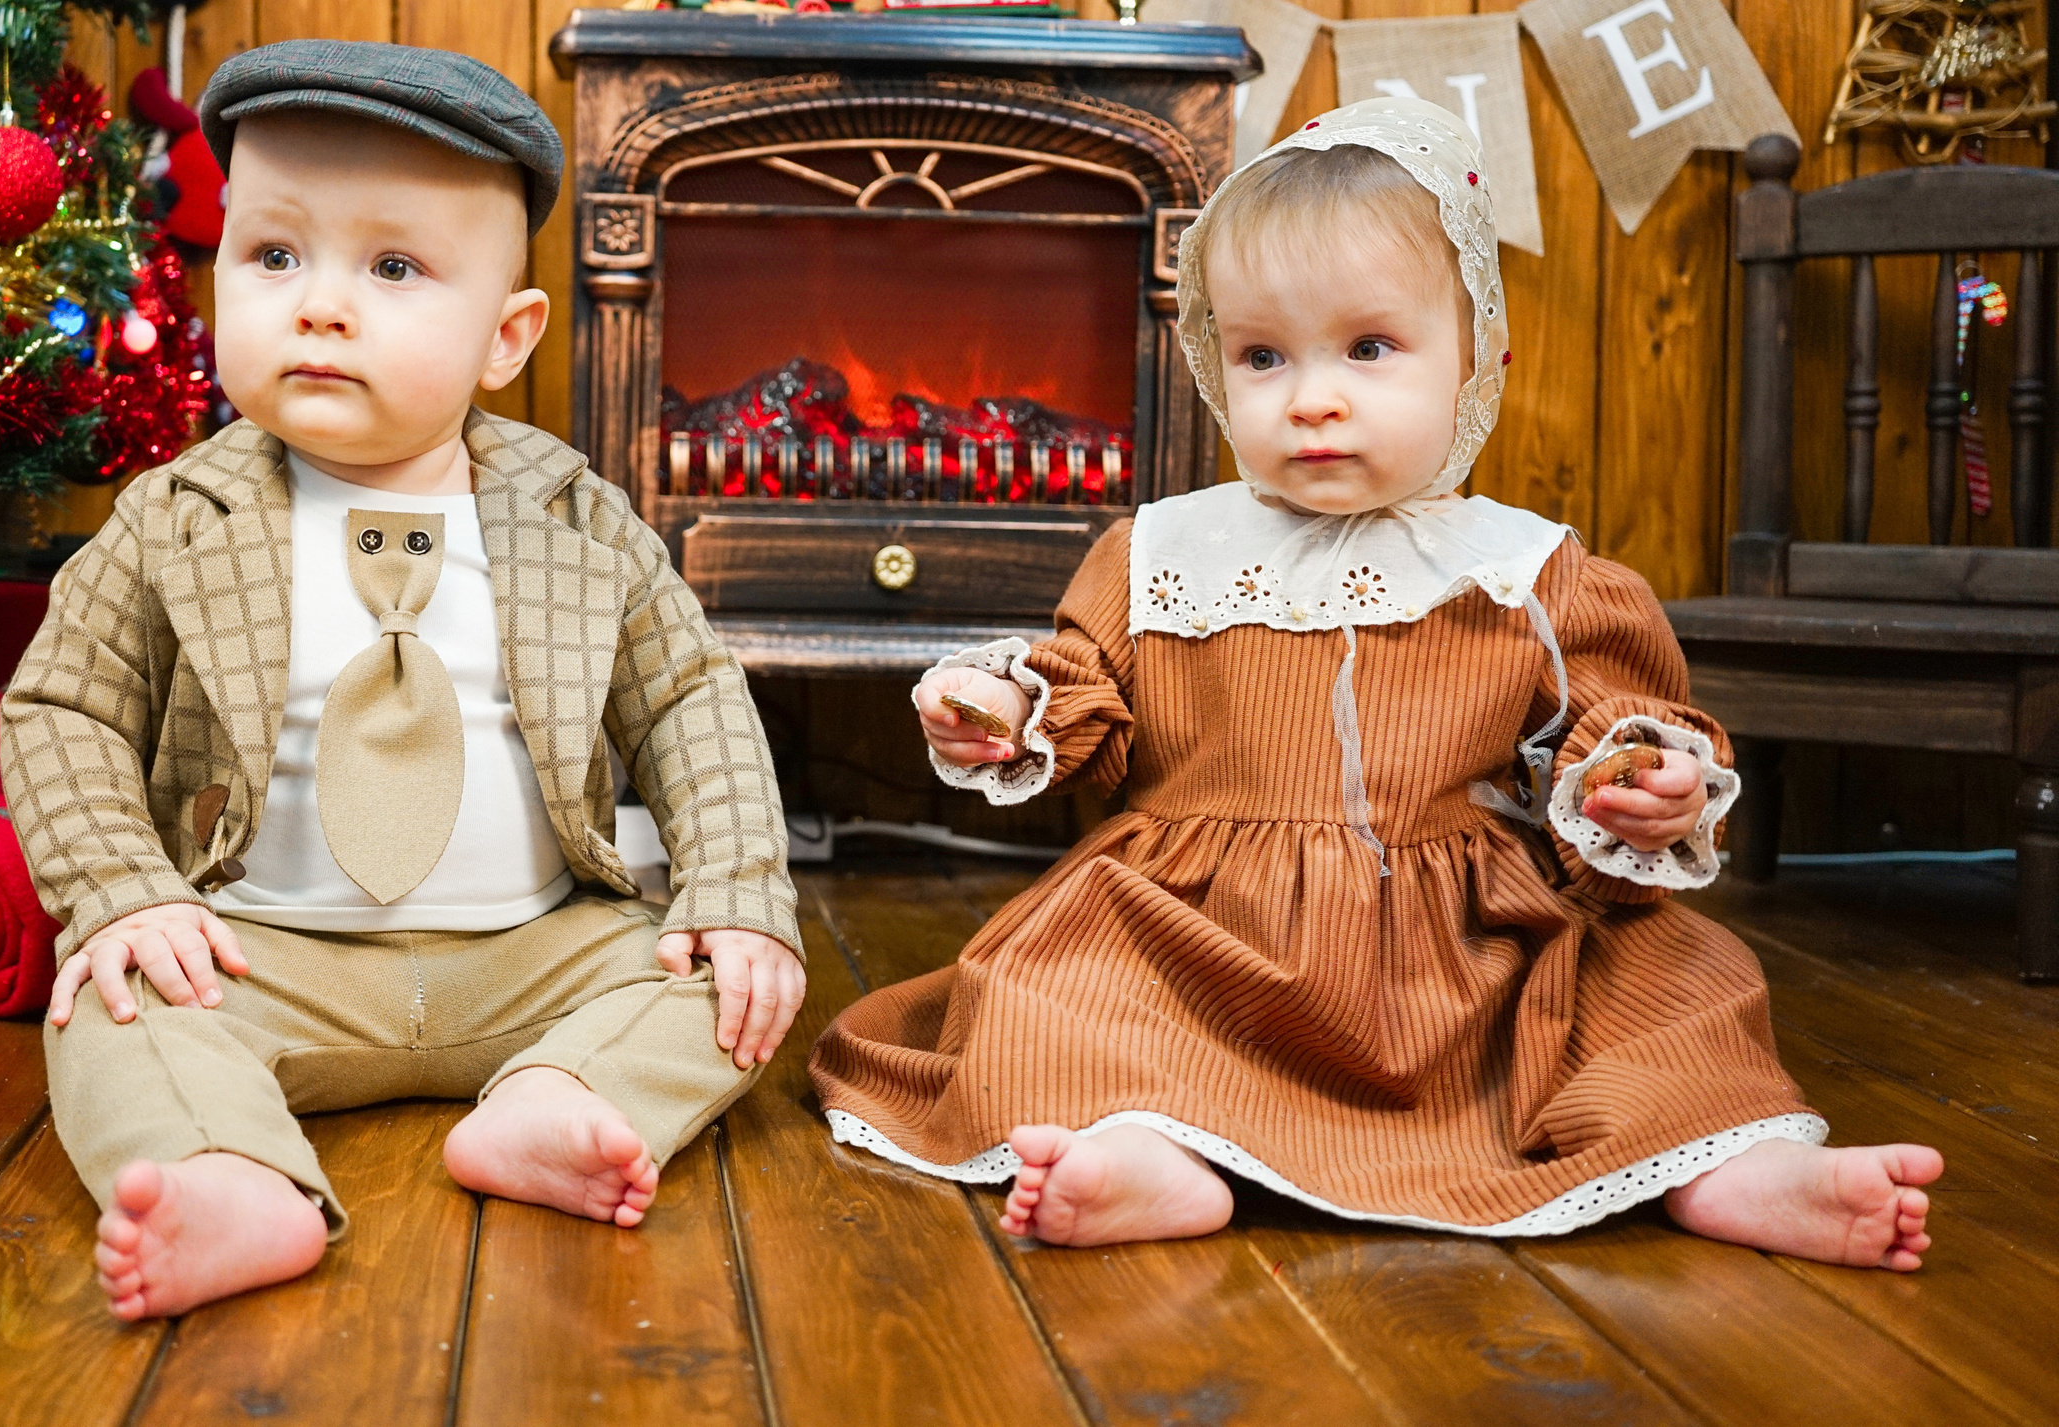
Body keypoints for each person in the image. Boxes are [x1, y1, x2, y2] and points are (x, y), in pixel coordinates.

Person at [810, 96, 1941, 1269]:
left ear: (1473, 359)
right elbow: (1081, 682)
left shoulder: (1520, 567)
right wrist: (1007, 709)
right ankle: (1150, 1145)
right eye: (1262, 357)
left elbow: (1604, 720)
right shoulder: (1160, 554)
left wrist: (1636, 778)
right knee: (1054, 996)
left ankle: (1733, 1166)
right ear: (1213, 364)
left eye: (1367, 348)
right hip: (1195, 939)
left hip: (1458, 954)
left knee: (1667, 993)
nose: (1311, 397)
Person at [2, 41, 806, 1320]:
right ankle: (225, 1175)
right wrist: (119, 894)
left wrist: (736, 888)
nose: (319, 306)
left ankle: (563, 1102)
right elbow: (66, 708)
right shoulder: (172, 519)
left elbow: (687, 701)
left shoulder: (571, 518)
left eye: (391, 269)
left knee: (730, 981)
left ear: (506, 337)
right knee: (112, 1003)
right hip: (263, 953)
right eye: (274, 256)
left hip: (538, 954)